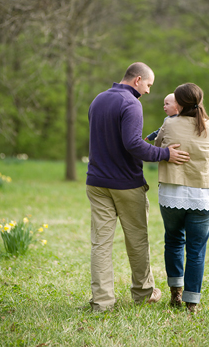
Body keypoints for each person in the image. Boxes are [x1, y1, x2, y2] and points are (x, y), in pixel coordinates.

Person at [86, 62, 190, 313]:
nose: (148, 91)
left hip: (96, 183)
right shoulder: (131, 103)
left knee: (100, 244)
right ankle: (143, 294)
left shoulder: (98, 100)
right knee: (137, 241)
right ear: (138, 79)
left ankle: (102, 303)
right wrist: (164, 153)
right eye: (148, 85)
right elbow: (133, 144)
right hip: (125, 184)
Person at [154, 82, 209, 313]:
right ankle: (192, 302)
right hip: (202, 196)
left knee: (174, 241)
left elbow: (157, 147)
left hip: (171, 193)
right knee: (196, 250)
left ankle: (175, 291)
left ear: (180, 103)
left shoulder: (169, 124)